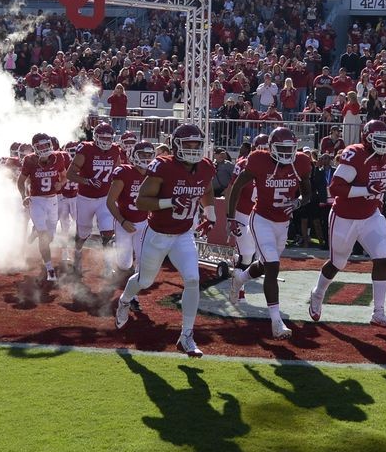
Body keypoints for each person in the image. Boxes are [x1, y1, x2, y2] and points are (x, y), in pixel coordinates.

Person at [116, 124, 215, 357]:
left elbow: (206, 189)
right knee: (145, 280)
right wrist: (170, 201)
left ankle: (186, 335)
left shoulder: (205, 167)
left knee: (192, 279)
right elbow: (141, 202)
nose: (193, 149)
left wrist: (210, 214)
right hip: (158, 234)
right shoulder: (162, 166)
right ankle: (124, 301)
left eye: (196, 144)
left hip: (183, 234)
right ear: (176, 145)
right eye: (188, 144)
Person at [310, 118, 386, 327]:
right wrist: (367, 191)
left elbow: (381, 185)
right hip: (345, 216)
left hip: (370, 216)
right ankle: (318, 292)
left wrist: (376, 202)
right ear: (366, 138)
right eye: (378, 139)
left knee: (382, 257)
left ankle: (378, 311)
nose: (383, 144)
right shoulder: (355, 154)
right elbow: (336, 188)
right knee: (337, 263)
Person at [226, 127, 311, 337]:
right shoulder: (258, 160)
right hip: (261, 218)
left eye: (289, 148)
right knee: (273, 266)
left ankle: (240, 278)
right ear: (271, 147)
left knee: (265, 265)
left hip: (283, 223)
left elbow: (308, 192)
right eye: (280, 148)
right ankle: (276, 322)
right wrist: (230, 217)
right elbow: (237, 187)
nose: (285, 152)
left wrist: (298, 201)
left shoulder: (300, 162)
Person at [65, 122, 127, 277]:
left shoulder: (115, 150)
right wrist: (87, 181)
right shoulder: (86, 149)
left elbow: (118, 173)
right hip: (85, 198)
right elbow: (69, 174)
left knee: (107, 232)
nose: (106, 141)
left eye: (109, 138)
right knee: (83, 232)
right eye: (103, 138)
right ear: (95, 137)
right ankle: (78, 255)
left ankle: (107, 265)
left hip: (105, 199)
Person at [107, 140, 155, 299]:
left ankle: (133, 295)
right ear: (134, 155)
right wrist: (122, 221)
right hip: (124, 223)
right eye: (143, 155)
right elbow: (110, 201)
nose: (147, 159)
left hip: (143, 223)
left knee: (143, 260)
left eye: (149, 155)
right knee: (125, 264)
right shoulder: (124, 172)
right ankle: (115, 247)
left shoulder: (154, 174)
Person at [18, 133, 68, 282]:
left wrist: (61, 183)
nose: (45, 148)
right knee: (45, 236)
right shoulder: (29, 160)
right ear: (35, 148)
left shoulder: (58, 157)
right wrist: (23, 196)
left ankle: (35, 232)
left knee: (50, 236)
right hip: (37, 201)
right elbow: (20, 181)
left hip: (53, 200)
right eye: (40, 146)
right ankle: (49, 269)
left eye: (47, 145)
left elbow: (64, 175)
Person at [224, 135, 268, 298]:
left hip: (261, 215)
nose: (264, 152)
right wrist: (230, 216)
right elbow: (231, 190)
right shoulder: (243, 164)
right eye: (261, 149)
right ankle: (239, 288)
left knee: (261, 255)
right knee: (248, 253)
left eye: (267, 149)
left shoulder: (275, 166)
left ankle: (237, 270)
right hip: (242, 213)